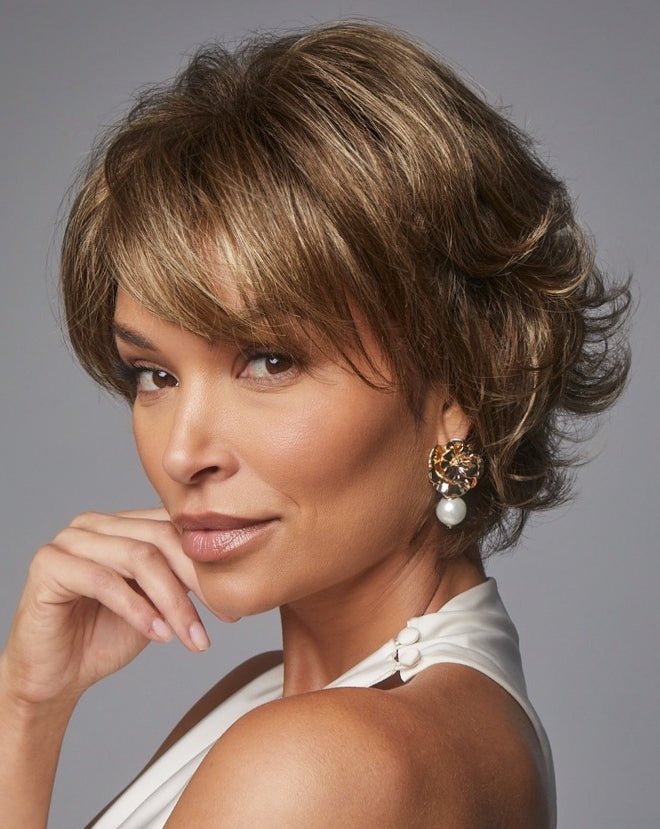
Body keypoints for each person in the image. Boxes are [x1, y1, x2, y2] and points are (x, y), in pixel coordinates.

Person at [0, 19, 630, 829]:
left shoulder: (317, 763)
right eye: (154, 374)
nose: (183, 452)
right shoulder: (279, 698)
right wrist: (29, 701)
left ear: (457, 391)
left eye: (269, 361)